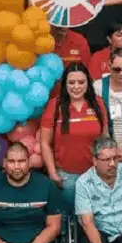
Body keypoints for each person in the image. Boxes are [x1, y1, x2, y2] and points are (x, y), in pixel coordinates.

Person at [40, 61, 108, 212]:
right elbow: (44, 142)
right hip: (67, 176)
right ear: (65, 84)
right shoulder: (54, 106)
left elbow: (104, 139)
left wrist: (105, 169)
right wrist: (52, 172)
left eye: (81, 82)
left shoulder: (98, 104)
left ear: (88, 83)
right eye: (71, 82)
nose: (76, 87)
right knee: (69, 217)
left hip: (94, 174)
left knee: (92, 217)